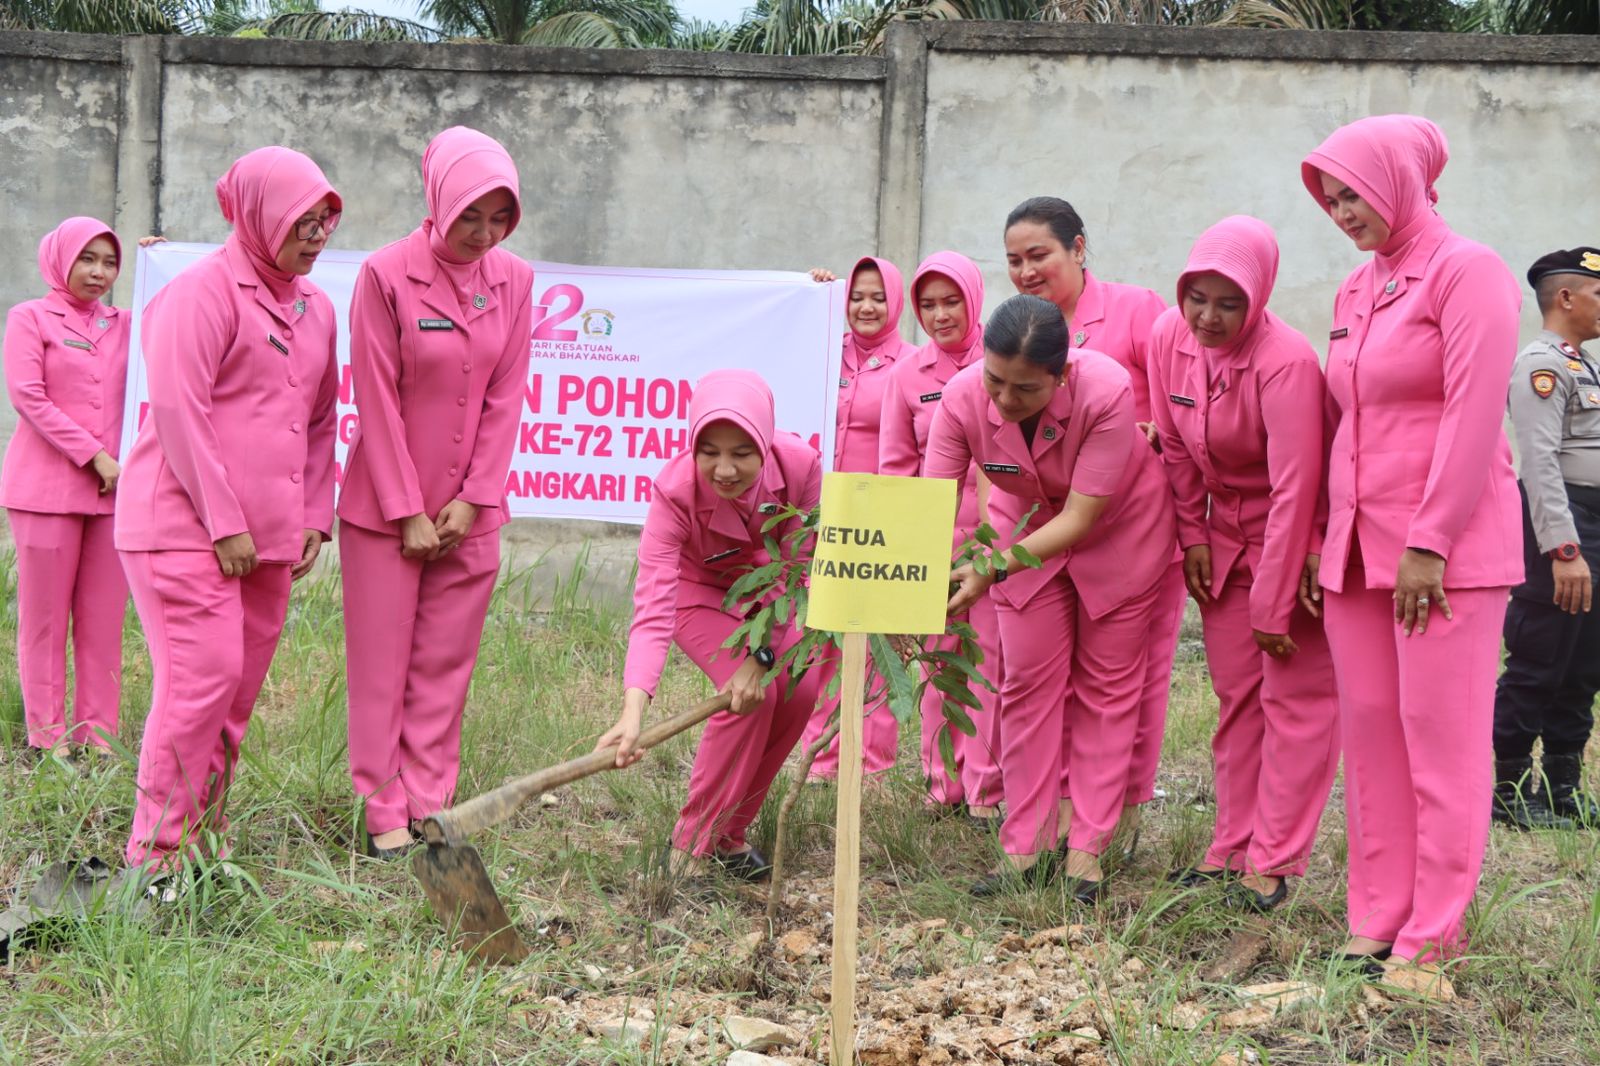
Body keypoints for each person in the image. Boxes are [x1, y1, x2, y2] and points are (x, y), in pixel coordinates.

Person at [1302, 115, 1522, 973]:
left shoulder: (1467, 271)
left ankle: (1432, 938)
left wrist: (1429, 542)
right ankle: (1377, 916)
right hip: (1360, 552)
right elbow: (1346, 420)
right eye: (1330, 198)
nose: (1341, 210)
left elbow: (1473, 415)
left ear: (1399, 177)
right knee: (1374, 739)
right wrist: (1330, 542)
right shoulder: (1358, 289)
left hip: (1445, 556)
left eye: (1352, 192)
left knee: (1441, 743)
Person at [116, 147, 341, 877]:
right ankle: (155, 862)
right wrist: (226, 523)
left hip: (266, 540)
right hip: (184, 529)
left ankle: (203, 847)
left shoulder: (315, 308)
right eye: (301, 221)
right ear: (257, 214)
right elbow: (181, 411)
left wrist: (313, 515)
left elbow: (320, 422)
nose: (315, 235)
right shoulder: (200, 293)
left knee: (233, 700)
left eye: (325, 221)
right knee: (200, 683)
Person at [928, 294, 1177, 900]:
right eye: (995, 381)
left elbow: (1082, 517)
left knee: (1107, 690)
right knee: (1026, 687)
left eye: (1026, 390)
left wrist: (988, 567)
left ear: (1062, 374)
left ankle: (1087, 850)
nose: (1006, 401)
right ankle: (1026, 847)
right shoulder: (963, 399)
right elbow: (931, 503)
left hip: (1117, 535)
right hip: (1022, 529)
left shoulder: (1106, 390)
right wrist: (920, 585)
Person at [339, 127, 534, 858]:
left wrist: (476, 496)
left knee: (445, 664)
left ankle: (429, 801)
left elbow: (506, 395)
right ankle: (382, 808)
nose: (483, 234)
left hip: (470, 515)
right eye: (470, 217)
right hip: (385, 514)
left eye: (499, 218)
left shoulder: (514, 280)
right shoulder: (385, 275)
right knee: (382, 665)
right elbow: (376, 397)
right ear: (438, 201)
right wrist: (406, 510)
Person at [1146, 216, 1340, 911]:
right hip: (1222, 543)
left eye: (1229, 303)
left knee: (1296, 701)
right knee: (1237, 700)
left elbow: (1298, 486)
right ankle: (1230, 847)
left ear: (1258, 299)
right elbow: (1171, 445)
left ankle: (1277, 861)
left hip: (1296, 541)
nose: (1208, 316)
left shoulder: (1285, 361)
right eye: (1197, 297)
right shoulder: (1168, 337)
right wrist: (1191, 538)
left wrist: (1273, 598)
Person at [1003, 197, 1182, 846]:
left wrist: (1145, 433)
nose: (1025, 271)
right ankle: (1044, 820)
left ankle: (1111, 820)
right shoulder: (1017, 327)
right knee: (1042, 680)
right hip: (1046, 534)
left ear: (1078, 248)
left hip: (1133, 532)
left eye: (1039, 256)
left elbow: (1174, 414)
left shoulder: (1138, 312)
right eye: (1014, 261)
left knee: (1129, 679)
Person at [597, 370, 822, 880]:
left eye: (742, 452)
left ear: (765, 442)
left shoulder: (802, 466)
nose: (724, 469)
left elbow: (795, 571)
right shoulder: (673, 492)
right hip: (696, 595)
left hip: (771, 595)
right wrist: (634, 709)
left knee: (800, 689)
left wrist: (761, 655)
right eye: (709, 451)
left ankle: (730, 835)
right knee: (747, 699)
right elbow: (654, 603)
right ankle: (690, 845)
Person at [879, 252, 1002, 827]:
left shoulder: (1002, 358)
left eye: (951, 301)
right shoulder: (907, 375)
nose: (940, 314)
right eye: (927, 305)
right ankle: (941, 786)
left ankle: (987, 790)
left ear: (974, 298)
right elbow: (896, 469)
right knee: (937, 667)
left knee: (994, 665)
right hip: (934, 545)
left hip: (1003, 543)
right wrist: (904, 552)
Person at [1, 218, 130, 759]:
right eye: (87, 259)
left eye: (109, 261)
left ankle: (97, 739)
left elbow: (184, 310)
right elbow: (28, 396)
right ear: (61, 260)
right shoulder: (30, 317)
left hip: (113, 498)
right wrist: (94, 454)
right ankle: (47, 738)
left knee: (104, 620)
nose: (99, 272)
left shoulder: (129, 323)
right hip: (46, 492)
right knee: (45, 620)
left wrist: (161, 261)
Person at [1491, 247, 1600, 830]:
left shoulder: (1583, 363)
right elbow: (1538, 464)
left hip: (1594, 527)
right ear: (1566, 298)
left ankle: (1562, 786)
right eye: (1598, 293)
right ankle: (1509, 789)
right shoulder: (1541, 364)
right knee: (1539, 659)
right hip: (1564, 526)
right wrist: (1564, 549)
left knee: (1584, 664)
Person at [798, 258, 916, 779]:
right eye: (856, 297)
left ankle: (869, 760)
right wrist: (814, 298)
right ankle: (820, 757)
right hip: (820, 515)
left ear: (896, 304)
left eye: (878, 297)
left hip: (880, 521)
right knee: (820, 633)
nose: (866, 307)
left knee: (876, 642)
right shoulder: (823, 350)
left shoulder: (912, 363)